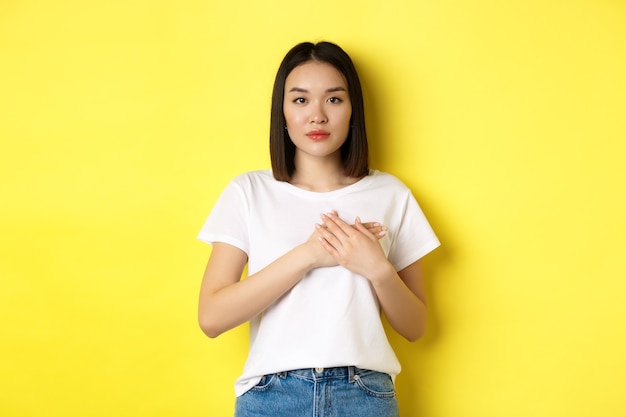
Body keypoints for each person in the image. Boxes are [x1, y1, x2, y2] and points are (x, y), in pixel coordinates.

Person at [197, 41, 440, 417]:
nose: (317, 116)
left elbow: (415, 326)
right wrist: (309, 255)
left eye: (333, 99)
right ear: (282, 112)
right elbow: (211, 317)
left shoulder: (391, 194)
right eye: (300, 100)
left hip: (364, 396)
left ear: (352, 109)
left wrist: (376, 268)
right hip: (270, 397)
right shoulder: (248, 191)